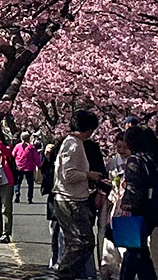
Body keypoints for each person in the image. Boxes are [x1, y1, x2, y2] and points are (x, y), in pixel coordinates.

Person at [52, 110, 108, 280]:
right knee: (84, 241)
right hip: (70, 200)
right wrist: (88, 175)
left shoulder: (71, 142)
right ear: (88, 129)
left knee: (75, 241)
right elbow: (68, 175)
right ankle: (64, 273)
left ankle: (68, 274)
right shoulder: (74, 145)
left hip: (71, 198)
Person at [118, 125, 158, 280]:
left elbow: (135, 190)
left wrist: (126, 207)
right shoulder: (156, 160)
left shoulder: (135, 161)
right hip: (154, 211)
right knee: (139, 250)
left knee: (133, 249)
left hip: (137, 211)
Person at [0, 132, 18, 243]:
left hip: (6, 182)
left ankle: (6, 233)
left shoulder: (5, 149)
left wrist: (0, 144)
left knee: (6, 209)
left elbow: (9, 152)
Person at [12, 134, 41, 203]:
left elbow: (13, 154)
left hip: (19, 166)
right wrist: (39, 165)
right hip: (29, 167)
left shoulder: (17, 146)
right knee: (30, 184)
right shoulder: (32, 147)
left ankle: (17, 192)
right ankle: (29, 198)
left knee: (18, 182)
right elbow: (36, 158)